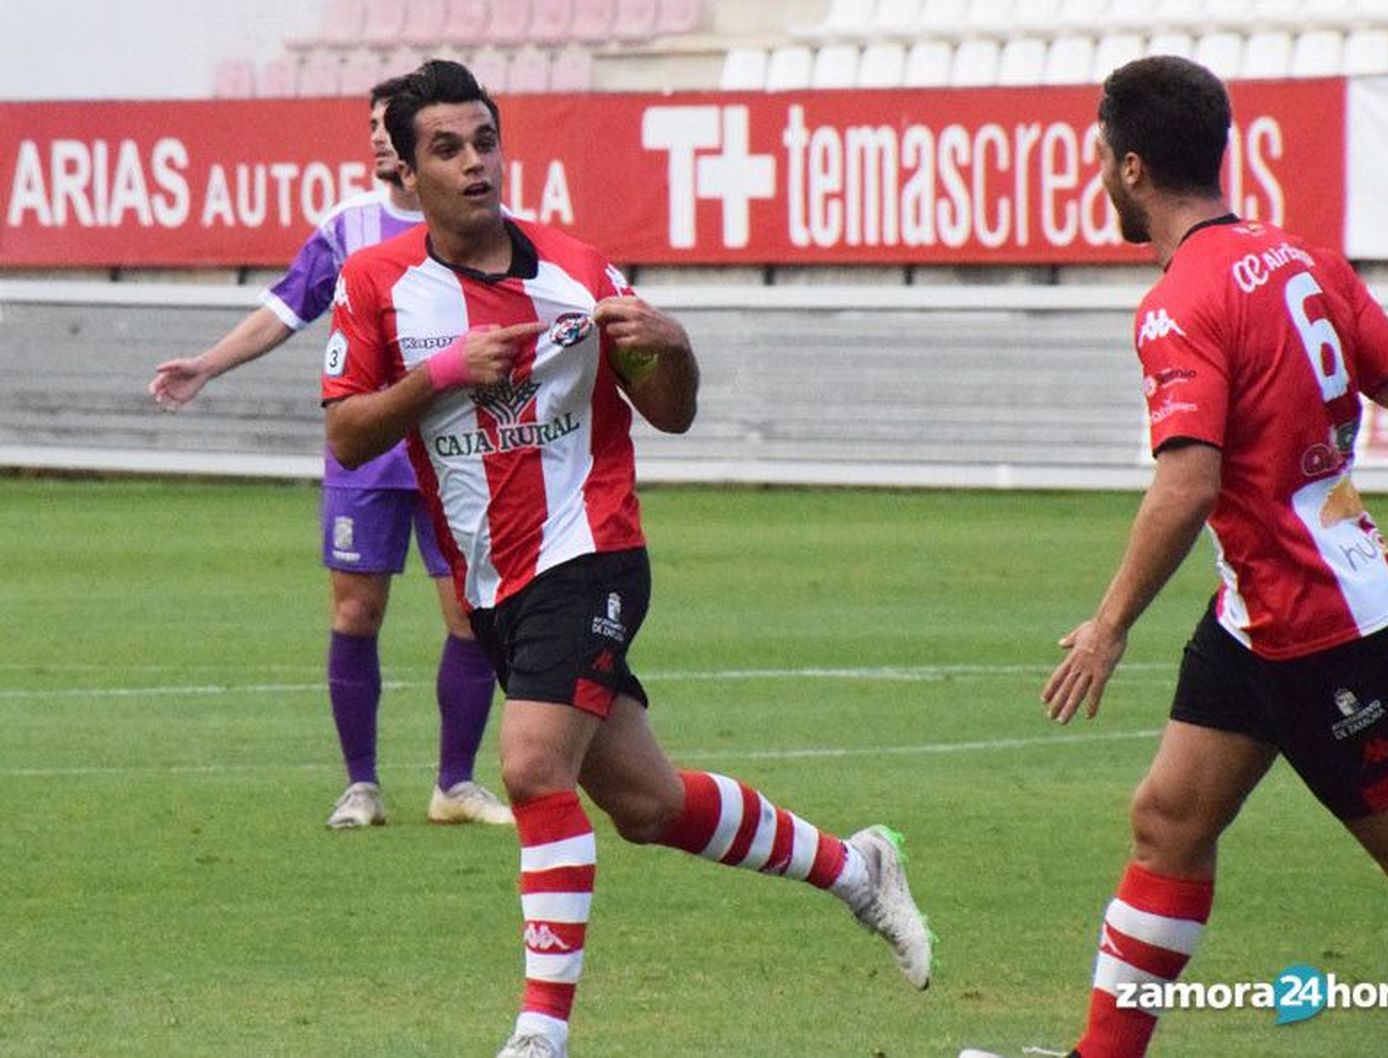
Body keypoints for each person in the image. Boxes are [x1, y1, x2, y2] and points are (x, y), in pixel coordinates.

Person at [968, 56, 1388, 1058]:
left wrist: (1107, 624)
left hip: (1307, 617)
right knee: (1168, 816)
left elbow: (1187, 484)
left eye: (1099, 159)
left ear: (1131, 169)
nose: (1098, 177)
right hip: (1262, 605)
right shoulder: (1299, 258)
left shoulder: (1179, 304)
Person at [320, 60, 933, 1058]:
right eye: (447, 148)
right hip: (494, 581)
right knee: (646, 803)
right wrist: (439, 375)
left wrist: (673, 343)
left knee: (526, 764)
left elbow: (670, 410)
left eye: (485, 140)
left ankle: (537, 1034)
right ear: (406, 168)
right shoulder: (377, 286)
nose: (474, 163)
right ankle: (855, 867)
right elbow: (347, 436)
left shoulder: (575, 271)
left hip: (591, 549)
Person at [149, 75, 510, 830]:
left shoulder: (489, 229)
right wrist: (208, 365)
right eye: (371, 125)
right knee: (355, 612)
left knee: (471, 618)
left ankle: (455, 784)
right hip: (369, 452)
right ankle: (361, 786)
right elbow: (285, 309)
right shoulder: (348, 227)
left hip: (457, 452)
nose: (377, 136)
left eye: (388, 124)